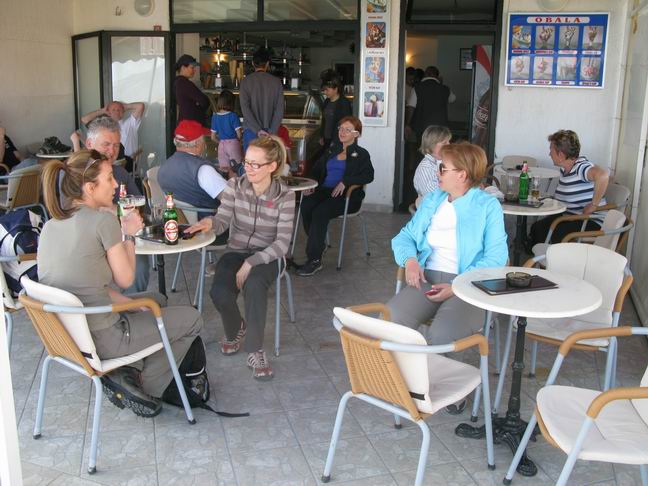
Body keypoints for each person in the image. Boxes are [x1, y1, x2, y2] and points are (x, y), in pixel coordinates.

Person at [38, 149, 203, 417]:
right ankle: (146, 386)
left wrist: (132, 303)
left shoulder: (51, 225)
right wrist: (129, 234)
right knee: (193, 318)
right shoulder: (103, 221)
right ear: (90, 188)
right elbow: (125, 279)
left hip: (70, 335)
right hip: (105, 337)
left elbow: (85, 287)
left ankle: (127, 371)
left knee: (157, 300)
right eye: (109, 178)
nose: (116, 184)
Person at [186, 136, 295, 380]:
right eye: (247, 162)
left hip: (268, 255)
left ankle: (255, 350)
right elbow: (222, 220)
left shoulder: (285, 195)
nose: (249, 168)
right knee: (219, 292)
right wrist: (210, 223)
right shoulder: (235, 186)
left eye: (256, 164)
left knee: (254, 285)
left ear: (272, 166)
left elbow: (282, 244)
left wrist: (251, 263)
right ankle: (237, 327)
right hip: (236, 250)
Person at [387, 142, 508, 346]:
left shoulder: (487, 206)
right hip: (428, 279)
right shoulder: (434, 199)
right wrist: (410, 261)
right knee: (391, 318)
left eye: (443, 168)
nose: (437, 172)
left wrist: (456, 286)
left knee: (441, 335)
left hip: (471, 285)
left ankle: (431, 368)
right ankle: (399, 368)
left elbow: (496, 258)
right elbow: (405, 236)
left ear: (462, 175)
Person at [296, 116, 374, 277]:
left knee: (320, 212)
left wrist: (346, 181)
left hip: (347, 197)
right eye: (340, 128)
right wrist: (310, 185)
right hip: (324, 191)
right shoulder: (332, 150)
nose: (342, 132)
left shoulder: (361, 154)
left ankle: (314, 259)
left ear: (357, 134)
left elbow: (368, 176)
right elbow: (316, 170)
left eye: (347, 130)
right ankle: (318, 245)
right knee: (307, 205)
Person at [84, 116, 149, 293]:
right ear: (89, 144)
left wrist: (116, 210)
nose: (112, 151)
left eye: (116, 145)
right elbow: (67, 213)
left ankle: (131, 304)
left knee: (140, 264)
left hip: (120, 236)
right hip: (87, 241)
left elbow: (139, 205)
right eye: (106, 144)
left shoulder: (120, 172)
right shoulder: (74, 174)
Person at [528, 129, 609, 248]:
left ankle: (555, 258)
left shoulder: (580, 167)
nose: (549, 154)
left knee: (558, 232)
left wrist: (594, 205)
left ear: (561, 155)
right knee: (538, 228)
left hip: (591, 221)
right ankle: (540, 257)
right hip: (572, 217)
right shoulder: (565, 169)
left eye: (551, 150)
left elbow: (603, 176)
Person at [159, 120, 227, 215]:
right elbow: (230, 198)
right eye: (204, 139)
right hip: (209, 221)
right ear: (198, 144)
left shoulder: (163, 168)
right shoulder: (203, 170)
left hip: (177, 220)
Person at [239, 48, 284, 151]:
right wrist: (272, 132)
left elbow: (245, 109)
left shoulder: (245, 82)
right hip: (270, 131)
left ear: (253, 63)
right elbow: (279, 110)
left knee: (251, 160)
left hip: (251, 130)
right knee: (268, 160)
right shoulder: (276, 82)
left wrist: (258, 130)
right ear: (267, 64)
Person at [405, 66, 456, 142]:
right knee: (438, 147)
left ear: (425, 74)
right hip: (440, 127)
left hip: (422, 127)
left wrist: (408, 124)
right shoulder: (445, 88)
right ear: (437, 76)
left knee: (423, 147)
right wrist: (441, 85)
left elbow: (411, 107)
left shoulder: (417, 88)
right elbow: (453, 99)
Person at [81, 101, 145, 158]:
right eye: (113, 110)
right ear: (108, 113)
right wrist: (102, 111)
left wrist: (126, 106)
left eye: (119, 109)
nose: (117, 111)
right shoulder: (103, 127)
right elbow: (85, 119)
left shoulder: (130, 124)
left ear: (123, 112)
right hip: (110, 161)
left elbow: (140, 106)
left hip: (129, 162)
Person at [210, 89, 243, 174]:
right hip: (233, 144)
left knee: (224, 170)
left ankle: (227, 182)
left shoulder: (215, 117)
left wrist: (221, 142)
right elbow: (239, 135)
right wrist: (238, 141)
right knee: (237, 168)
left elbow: (213, 137)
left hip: (221, 145)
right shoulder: (233, 116)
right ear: (231, 103)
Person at [413, 125, 452, 197]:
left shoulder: (443, 162)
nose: (449, 145)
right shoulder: (426, 168)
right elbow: (433, 196)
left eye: (449, 141)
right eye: (444, 143)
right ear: (432, 145)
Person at [319, 71, 352, 150]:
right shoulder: (326, 101)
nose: (325, 92)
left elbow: (347, 125)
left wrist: (337, 141)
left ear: (336, 89)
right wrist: (322, 136)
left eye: (327, 90)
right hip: (327, 140)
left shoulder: (344, 103)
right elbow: (324, 120)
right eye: (324, 90)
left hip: (338, 141)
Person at [175, 54, 210, 124]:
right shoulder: (184, 83)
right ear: (183, 68)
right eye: (192, 68)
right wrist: (197, 103)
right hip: (191, 125)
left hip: (185, 123)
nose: (194, 70)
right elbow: (204, 101)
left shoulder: (177, 82)